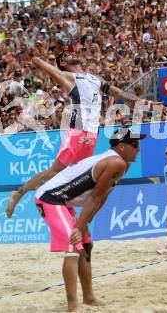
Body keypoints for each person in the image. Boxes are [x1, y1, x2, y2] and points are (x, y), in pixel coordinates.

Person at [6, 49, 142, 217]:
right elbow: (35, 60)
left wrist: (143, 102)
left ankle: (66, 207)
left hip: (92, 134)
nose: (72, 53)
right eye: (67, 54)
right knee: (55, 172)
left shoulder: (95, 78)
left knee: (77, 177)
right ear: (63, 62)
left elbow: (119, 93)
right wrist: (53, 68)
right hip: (77, 130)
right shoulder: (68, 77)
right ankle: (19, 193)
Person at [35, 128, 146, 312]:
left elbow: (102, 197)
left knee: (86, 244)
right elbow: (94, 197)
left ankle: (88, 297)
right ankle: (72, 306)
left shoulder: (122, 164)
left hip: (64, 200)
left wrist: (85, 224)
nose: (138, 148)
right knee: (73, 245)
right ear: (121, 146)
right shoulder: (115, 162)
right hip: (50, 198)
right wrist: (79, 227)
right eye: (135, 144)